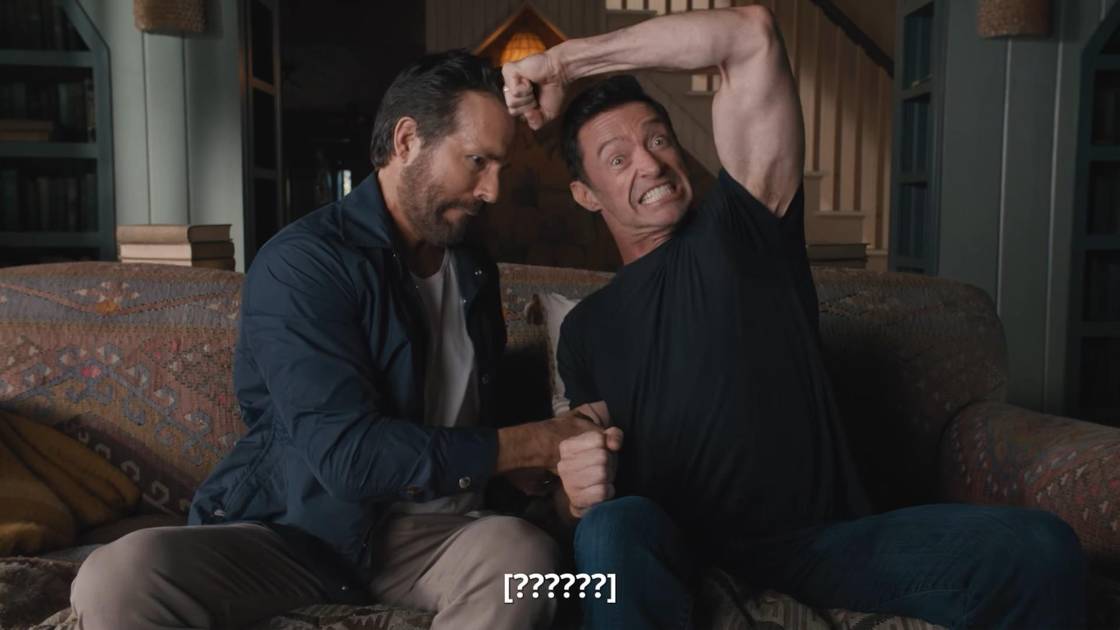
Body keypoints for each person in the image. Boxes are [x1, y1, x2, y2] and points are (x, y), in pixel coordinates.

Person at [502, 6, 1087, 630]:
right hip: (674, 548)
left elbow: (749, 34)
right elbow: (582, 476)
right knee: (611, 528)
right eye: (617, 159)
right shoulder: (585, 330)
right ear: (585, 194)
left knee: (1039, 548)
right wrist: (576, 498)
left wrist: (566, 63)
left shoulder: (743, 229)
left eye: (658, 139)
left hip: (817, 546)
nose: (649, 164)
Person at [68, 50, 603, 630]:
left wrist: (545, 461)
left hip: (438, 537)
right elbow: (348, 457)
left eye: (500, 166)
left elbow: (464, 410)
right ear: (406, 141)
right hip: (301, 534)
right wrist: (531, 443)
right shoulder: (304, 265)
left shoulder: (472, 265)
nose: (493, 190)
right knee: (118, 575)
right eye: (477, 161)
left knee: (529, 564)